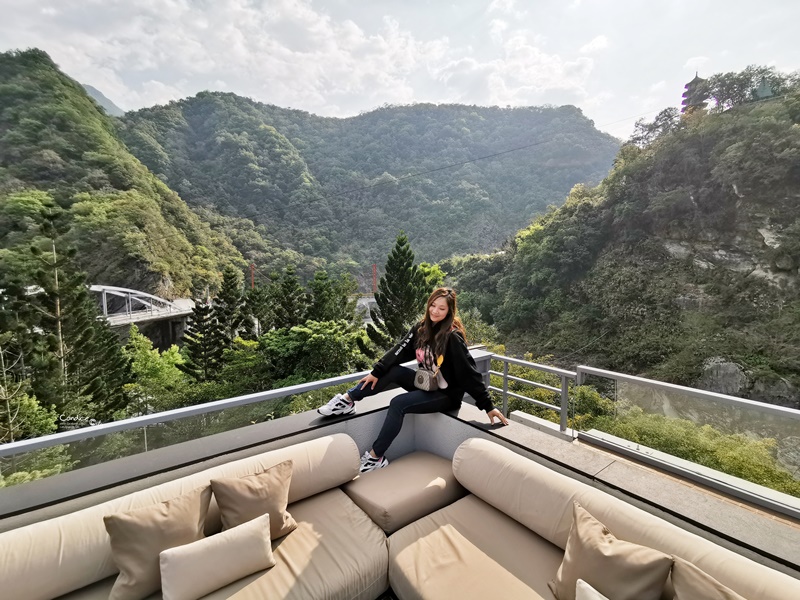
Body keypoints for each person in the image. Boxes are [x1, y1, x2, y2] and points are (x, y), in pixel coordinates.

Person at [318, 287, 509, 473]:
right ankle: (349, 400)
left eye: (442, 308)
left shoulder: (452, 337)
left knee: (398, 403)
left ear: (450, 311)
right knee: (393, 371)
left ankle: (375, 458)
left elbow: (469, 373)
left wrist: (488, 405)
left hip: (446, 394)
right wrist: (377, 371)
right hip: (425, 383)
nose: (435, 311)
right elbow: (400, 350)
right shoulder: (421, 328)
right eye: (433, 305)